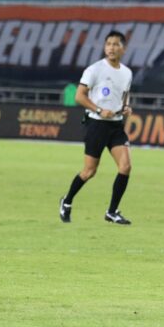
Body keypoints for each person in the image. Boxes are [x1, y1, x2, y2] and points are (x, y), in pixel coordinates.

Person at [59, 30, 133, 225]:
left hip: (116, 126)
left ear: (123, 49)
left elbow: (124, 96)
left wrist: (125, 107)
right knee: (89, 171)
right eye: (108, 44)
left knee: (125, 167)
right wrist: (99, 110)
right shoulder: (94, 70)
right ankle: (66, 202)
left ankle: (112, 211)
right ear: (104, 47)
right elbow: (79, 96)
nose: (111, 47)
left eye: (116, 44)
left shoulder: (127, 73)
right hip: (96, 125)